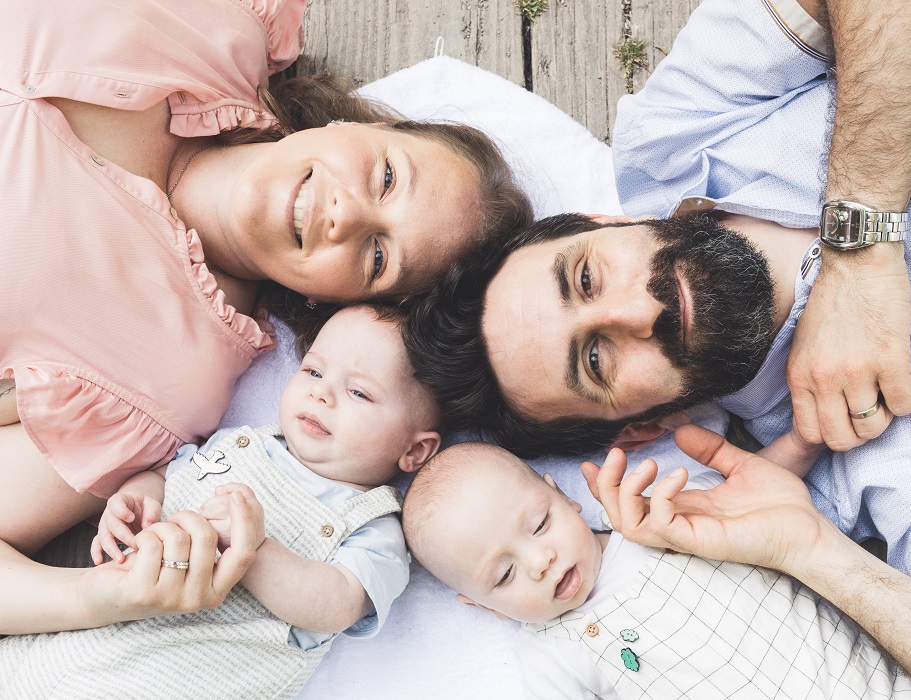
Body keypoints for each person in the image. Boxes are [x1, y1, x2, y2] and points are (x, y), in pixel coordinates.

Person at [403, 0, 911, 621]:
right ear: (641, 427)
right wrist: (810, 551)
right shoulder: (879, 471)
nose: (638, 309)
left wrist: (860, 253)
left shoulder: (679, 135)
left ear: (611, 222)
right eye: (597, 358)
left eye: (587, 276)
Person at [0, 0, 532, 634]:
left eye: (378, 255)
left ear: (339, 303)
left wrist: (98, 598)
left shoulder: (164, 381)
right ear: (350, 124)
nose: (349, 214)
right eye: (388, 176)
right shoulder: (222, 27)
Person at [0, 304, 441, 700]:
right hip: (56, 650)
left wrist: (255, 552)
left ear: (415, 451)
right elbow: (167, 477)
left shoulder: (373, 525)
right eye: (312, 372)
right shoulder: (238, 441)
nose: (321, 395)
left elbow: (338, 604)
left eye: (359, 393)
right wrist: (136, 500)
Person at [402, 439, 911, 700]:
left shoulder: (651, 516)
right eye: (502, 576)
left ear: (562, 495)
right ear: (480, 606)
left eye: (538, 525)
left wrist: (806, 441)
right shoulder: (555, 648)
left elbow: (756, 495)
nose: (540, 561)